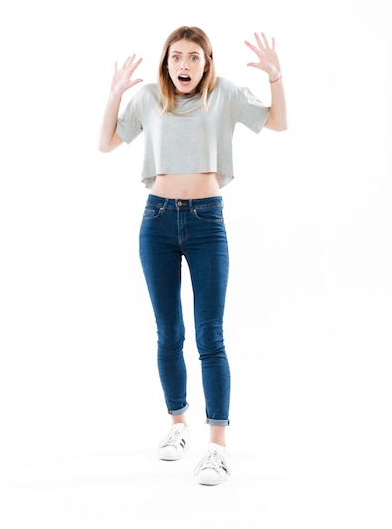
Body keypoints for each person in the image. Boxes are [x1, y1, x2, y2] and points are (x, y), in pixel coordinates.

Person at [99, 26, 287, 486]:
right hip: (157, 221)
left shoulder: (224, 95)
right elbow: (106, 143)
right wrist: (114, 93)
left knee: (209, 334)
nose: (185, 65)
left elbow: (277, 123)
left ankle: (218, 446)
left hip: (207, 223)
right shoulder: (147, 98)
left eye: (194, 58)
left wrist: (277, 78)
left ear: (207, 63)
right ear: (167, 62)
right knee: (169, 333)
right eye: (177, 57)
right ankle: (177, 426)